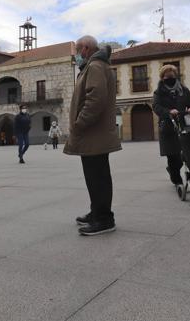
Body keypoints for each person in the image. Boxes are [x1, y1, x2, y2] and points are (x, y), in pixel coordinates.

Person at [64, 36, 122, 236]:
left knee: (98, 177)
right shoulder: (94, 66)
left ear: (86, 48)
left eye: (78, 51)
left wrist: (79, 124)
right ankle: (97, 212)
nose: (77, 56)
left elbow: (95, 99)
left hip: (92, 133)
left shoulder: (95, 66)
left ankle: (105, 219)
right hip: (93, 134)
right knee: (95, 176)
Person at [152, 64, 190, 188]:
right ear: (163, 78)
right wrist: (168, 112)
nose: (170, 78)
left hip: (183, 125)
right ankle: (176, 179)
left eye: (172, 76)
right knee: (173, 156)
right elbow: (156, 107)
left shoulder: (183, 90)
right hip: (168, 127)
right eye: (167, 76)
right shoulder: (158, 92)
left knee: (186, 153)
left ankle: (181, 173)